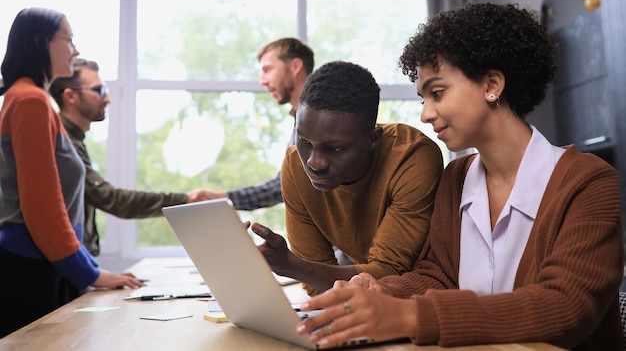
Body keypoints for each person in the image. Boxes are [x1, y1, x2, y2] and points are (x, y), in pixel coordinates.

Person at [295, 3, 624, 350]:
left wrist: (409, 316)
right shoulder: (456, 177)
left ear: (492, 85)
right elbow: (437, 275)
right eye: (423, 98)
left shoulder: (588, 182)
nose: (425, 114)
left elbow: (564, 307)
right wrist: (381, 291)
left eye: (437, 93)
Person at [0, 7, 144, 338]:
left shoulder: (31, 99)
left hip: (42, 265)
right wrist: (90, 272)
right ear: (40, 41)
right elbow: (43, 209)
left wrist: (89, 268)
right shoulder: (29, 100)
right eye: (69, 40)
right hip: (29, 269)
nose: (75, 50)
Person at [249, 60, 444, 296]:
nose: (314, 162)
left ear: (372, 140)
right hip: (365, 307)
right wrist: (298, 267)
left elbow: (388, 272)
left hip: (420, 303)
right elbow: (315, 280)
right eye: (305, 142)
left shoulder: (411, 158)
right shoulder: (295, 165)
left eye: (335, 149)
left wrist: (294, 267)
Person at [48, 59, 214, 256]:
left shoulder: (71, 138)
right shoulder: (63, 141)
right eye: (99, 90)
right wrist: (184, 199)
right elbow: (111, 199)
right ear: (70, 96)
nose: (107, 99)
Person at [203, 37, 314, 210]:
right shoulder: (301, 118)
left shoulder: (318, 119)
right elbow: (286, 183)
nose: (262, 80)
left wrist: (226, 198)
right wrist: (224, 197)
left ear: (295, 66)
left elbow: (284, 186)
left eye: (267, 70)